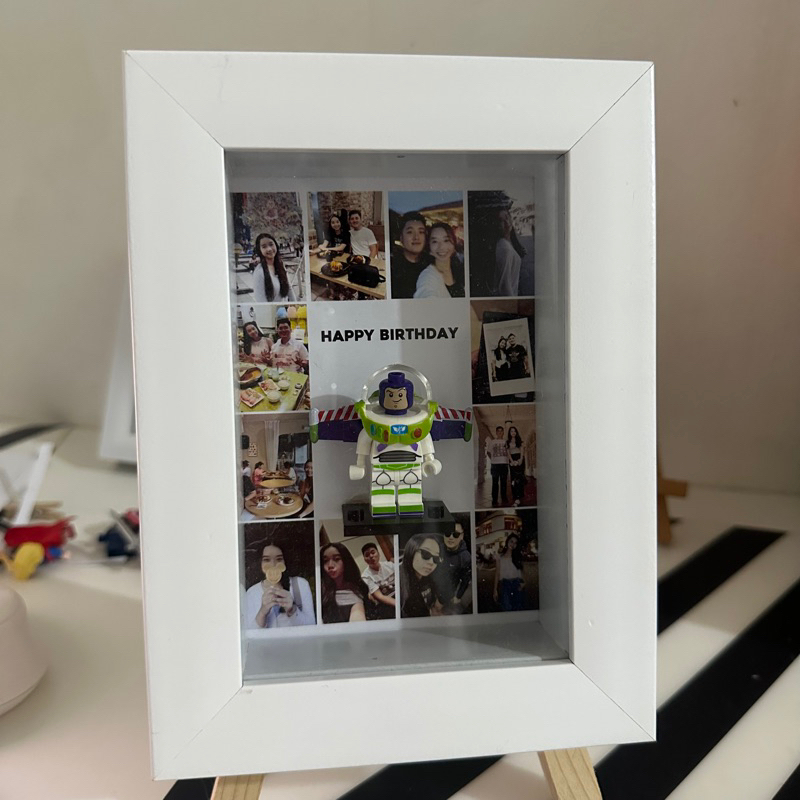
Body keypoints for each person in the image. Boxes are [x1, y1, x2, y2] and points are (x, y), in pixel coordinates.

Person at [244, 536, 316, 628]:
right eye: (266, 560)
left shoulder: (301, 585)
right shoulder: (252, 593)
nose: (273, 565)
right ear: (260, 563)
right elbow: (248, 633)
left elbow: (312, 626)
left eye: (279, 559)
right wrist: (262, 612)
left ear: (285, 561)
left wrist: (292, 610)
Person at [320, 542, 369, 623]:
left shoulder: (356, 591)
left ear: (345, 561)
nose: (330, 565)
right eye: (325, 561)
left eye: (336, 559)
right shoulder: (321, 591)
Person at [413, 222, 464, 299]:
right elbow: (426, 294)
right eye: (435, 241)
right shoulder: (427, 276)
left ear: (454, 243)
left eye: (446, 240)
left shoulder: (459, 268)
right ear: (429, 247)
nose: (441, 247)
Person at [431, 522, 472, 615]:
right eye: (447, 533)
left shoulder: (465, 557)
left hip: (446, 593)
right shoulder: (438, 549)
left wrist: (458, 596)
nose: (451, 537)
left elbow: (465, 579)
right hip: (432, 590)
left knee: (437, 611)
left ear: (462, 536)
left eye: (456, 534)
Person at [400, 534, 443, 618]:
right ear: (412, 550)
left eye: (436, 558)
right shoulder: (400, 584)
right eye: (425, 554)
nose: (431, 562)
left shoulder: (429, 577)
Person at [249, 233, 297, 302]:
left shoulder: (280, 265)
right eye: (264, 247)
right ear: (260, 250)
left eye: (271, 244)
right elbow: (261, 303)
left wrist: (295, 305)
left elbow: (289, 289)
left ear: (276, 245)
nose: (269, 249)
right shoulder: (259, 273)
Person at [390, 212, 428, 298]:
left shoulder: (433, 264)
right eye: (410, 232)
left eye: (421, 232)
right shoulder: (393, 266)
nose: (416, 237)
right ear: (401, 238)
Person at [360, 542, 396, 620]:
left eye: (373, 552)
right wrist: (399, 604)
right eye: (367, 555)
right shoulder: (366, 576)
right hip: (385, 603)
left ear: (378, 553)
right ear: (365, 559)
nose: (371, 556)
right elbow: (380, 597)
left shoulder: (390, 565)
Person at [494, 208, 525, 296]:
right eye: (501, 221)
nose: (507, 223)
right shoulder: (504, 248)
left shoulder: (508, 243)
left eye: (507, 218)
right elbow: (505, 287)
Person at [493, 533, 524, 611]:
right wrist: (495, 590)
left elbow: (521, 571)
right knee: (507, 608)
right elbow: (497, 573)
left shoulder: (518, 556)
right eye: (511, 541)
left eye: (515, 543)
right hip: (505, 585)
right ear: (507, 542)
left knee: (517, 608)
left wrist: (523, 583)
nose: (513, 544)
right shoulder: (500, 557)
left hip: (516, 584)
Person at [485, 426, 509, 507]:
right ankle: (494, 499)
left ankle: (504, 498)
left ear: (503, 432)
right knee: (495, 483)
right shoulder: (492, 442)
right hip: (495, 465)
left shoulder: (506, 442)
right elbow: (488, 452)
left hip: (504, 464)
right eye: (498, 431)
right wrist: (492, 459)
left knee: (504, 482)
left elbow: (509, 452)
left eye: (501, 431)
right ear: (496, 432)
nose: (500, 432)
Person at [507, 426, 525, 506]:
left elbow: (522, 451)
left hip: (519, 458)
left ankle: (519, 496)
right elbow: (508, 453)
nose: (513, 432)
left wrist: (520, 460)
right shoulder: (507, 442)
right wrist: (512, 461)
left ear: (516, 432)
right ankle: (516, 496)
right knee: (513, 479)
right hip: (512, 459)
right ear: (509, 433)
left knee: (519, 478)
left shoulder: (519, 441)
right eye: (511, 431)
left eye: (514, 431)